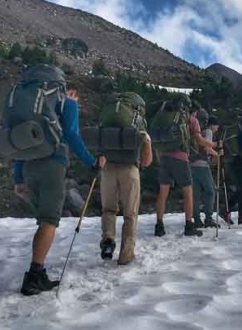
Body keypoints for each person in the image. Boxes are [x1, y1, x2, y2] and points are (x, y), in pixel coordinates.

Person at [14, 84, 104, 296]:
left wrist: (18, 177)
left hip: (28, 165)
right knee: (49, 221)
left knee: (43, 221)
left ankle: (37, 271)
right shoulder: (67, 103)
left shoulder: (31, 109)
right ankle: (34, 277)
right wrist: (92, 163)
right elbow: (72, 135)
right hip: (52, 165)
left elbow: (20, 142)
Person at [98, 94, 153, 265]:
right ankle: (126, 255)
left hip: (107, 169)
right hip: (130, 169)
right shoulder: (139, 122)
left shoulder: (107, 118)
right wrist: (148, 143)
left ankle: (108, 239)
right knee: (130, 214)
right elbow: (146, 161)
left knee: (108, 209)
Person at [154, 102, 213, 238]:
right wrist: (215, 144)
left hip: (163, 157)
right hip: (180, 158)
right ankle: (189, 226)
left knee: (163, 193)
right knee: (188, 192)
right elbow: (200, 141)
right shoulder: (191, 119)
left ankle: (159, 225)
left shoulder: (164, 117)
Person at [192, 115, 221, 228]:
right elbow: (207, 148)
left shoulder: (199, 132)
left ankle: (197, 219)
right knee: (210, 191)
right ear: (213, 125)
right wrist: (217, 154)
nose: (217, 129)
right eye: (217, 126)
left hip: (192, 164)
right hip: (202, 165)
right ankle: (208, 217)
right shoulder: (208, 131)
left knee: (196, 193)